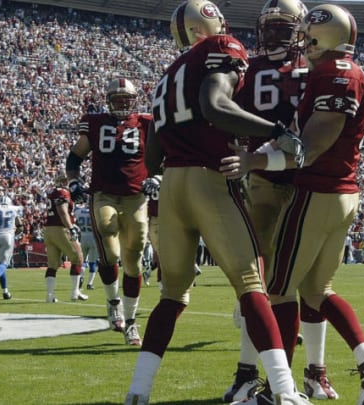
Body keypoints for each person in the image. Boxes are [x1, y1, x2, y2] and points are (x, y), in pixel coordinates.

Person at [221, 5, 364, 404]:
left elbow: (311, 144)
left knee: (277, 289)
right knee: (317, 290)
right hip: (341, 192)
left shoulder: (332, 73)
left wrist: (256, 158)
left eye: (301, 32)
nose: (293, 38)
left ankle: (278, 390)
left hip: (314, 192)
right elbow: (298, 133)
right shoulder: (339, 71)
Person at [125, 1, 310, 404]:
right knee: (251, 286)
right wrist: (278, 130)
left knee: (171, 296)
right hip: (208, 180)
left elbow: (152, 156)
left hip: (171, 186)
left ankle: (138, 391)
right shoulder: (222, 47)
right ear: (211, 23)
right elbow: (217, 105)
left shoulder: (169, 73)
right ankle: (283, 390)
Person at [222, 0, 339, 402]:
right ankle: (248, 373)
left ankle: (314, 372)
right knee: (263, 284)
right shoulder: (249, 69)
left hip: (309, 183)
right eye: (268, 26)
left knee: (312, 282)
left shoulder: (317, 68)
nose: (273, 34)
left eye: (282, 26)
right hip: (267, 180)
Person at [66, 77, 151, 346]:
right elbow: (76, 156)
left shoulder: (146, 123)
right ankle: (113, 301)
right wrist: (73, 181)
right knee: (110, 248)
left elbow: (162, 154)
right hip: (103, 193)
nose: (123, 104)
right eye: (118, 100)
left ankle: (132, 322)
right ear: (108, 101)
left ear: (134, 101)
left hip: (136, 195)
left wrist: (158, 177)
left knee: (135, 255)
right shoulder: (94, 123)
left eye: (127, 100)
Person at [42, 172, 88, 302]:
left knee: (52, 265)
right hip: (60, 229)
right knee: (78, 258)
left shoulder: (52, 192)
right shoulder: (62, 192)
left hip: (49, 229)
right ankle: (75, 292)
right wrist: (71, 227)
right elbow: (62, 212)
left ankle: (50, 296)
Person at [73, 202, 99, 290]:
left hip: (83, 238)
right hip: (93, 238)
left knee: (82, 261)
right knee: (93, 263)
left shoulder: (79, 211)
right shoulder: (95, 212)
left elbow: (74, 214)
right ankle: (90, 283)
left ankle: (80, 278)